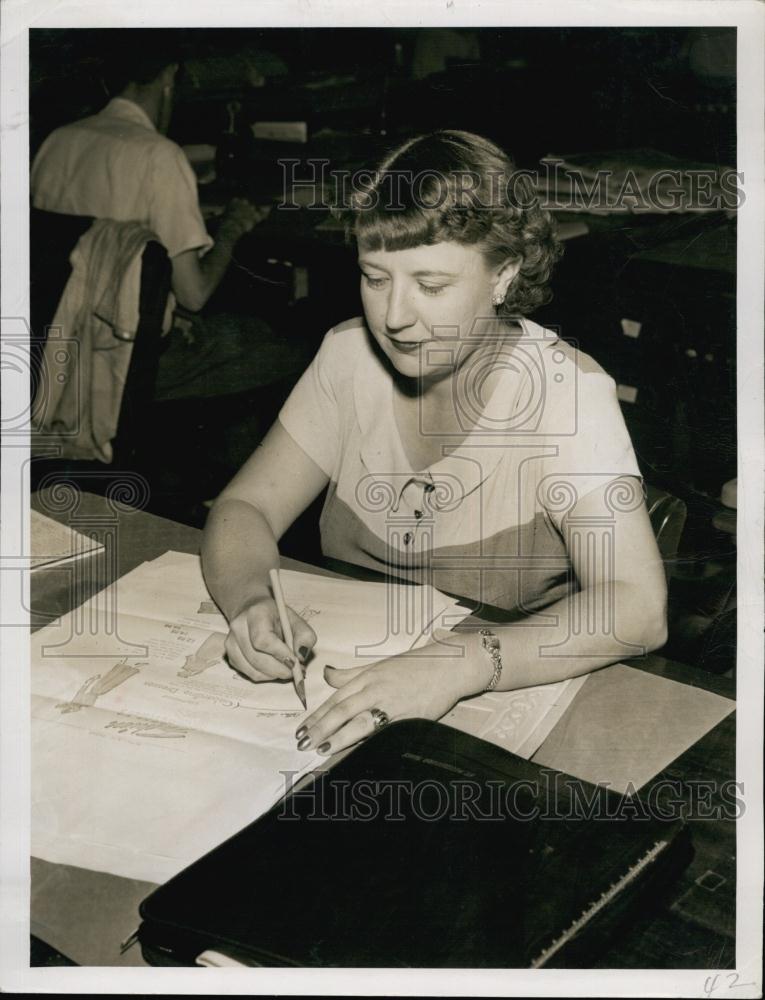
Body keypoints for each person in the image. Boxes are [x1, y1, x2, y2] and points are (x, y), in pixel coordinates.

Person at [201, 129, 668, 758]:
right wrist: (252, 600)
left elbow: (637, 607)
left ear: (504, 274)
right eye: (375, 278)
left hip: (498, 704)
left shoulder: (566, 393)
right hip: (344, 683)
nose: (394, 316)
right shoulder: (347, 356)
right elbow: (245, 508)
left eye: (431, 285)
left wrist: (454, 665)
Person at [31, 33, 263, 315]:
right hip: (125, 345)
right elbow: (194, 295)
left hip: (55, 329)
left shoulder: (57, 140)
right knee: (275, 342)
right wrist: (231, 228)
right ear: (169, 76)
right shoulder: (160, 155)